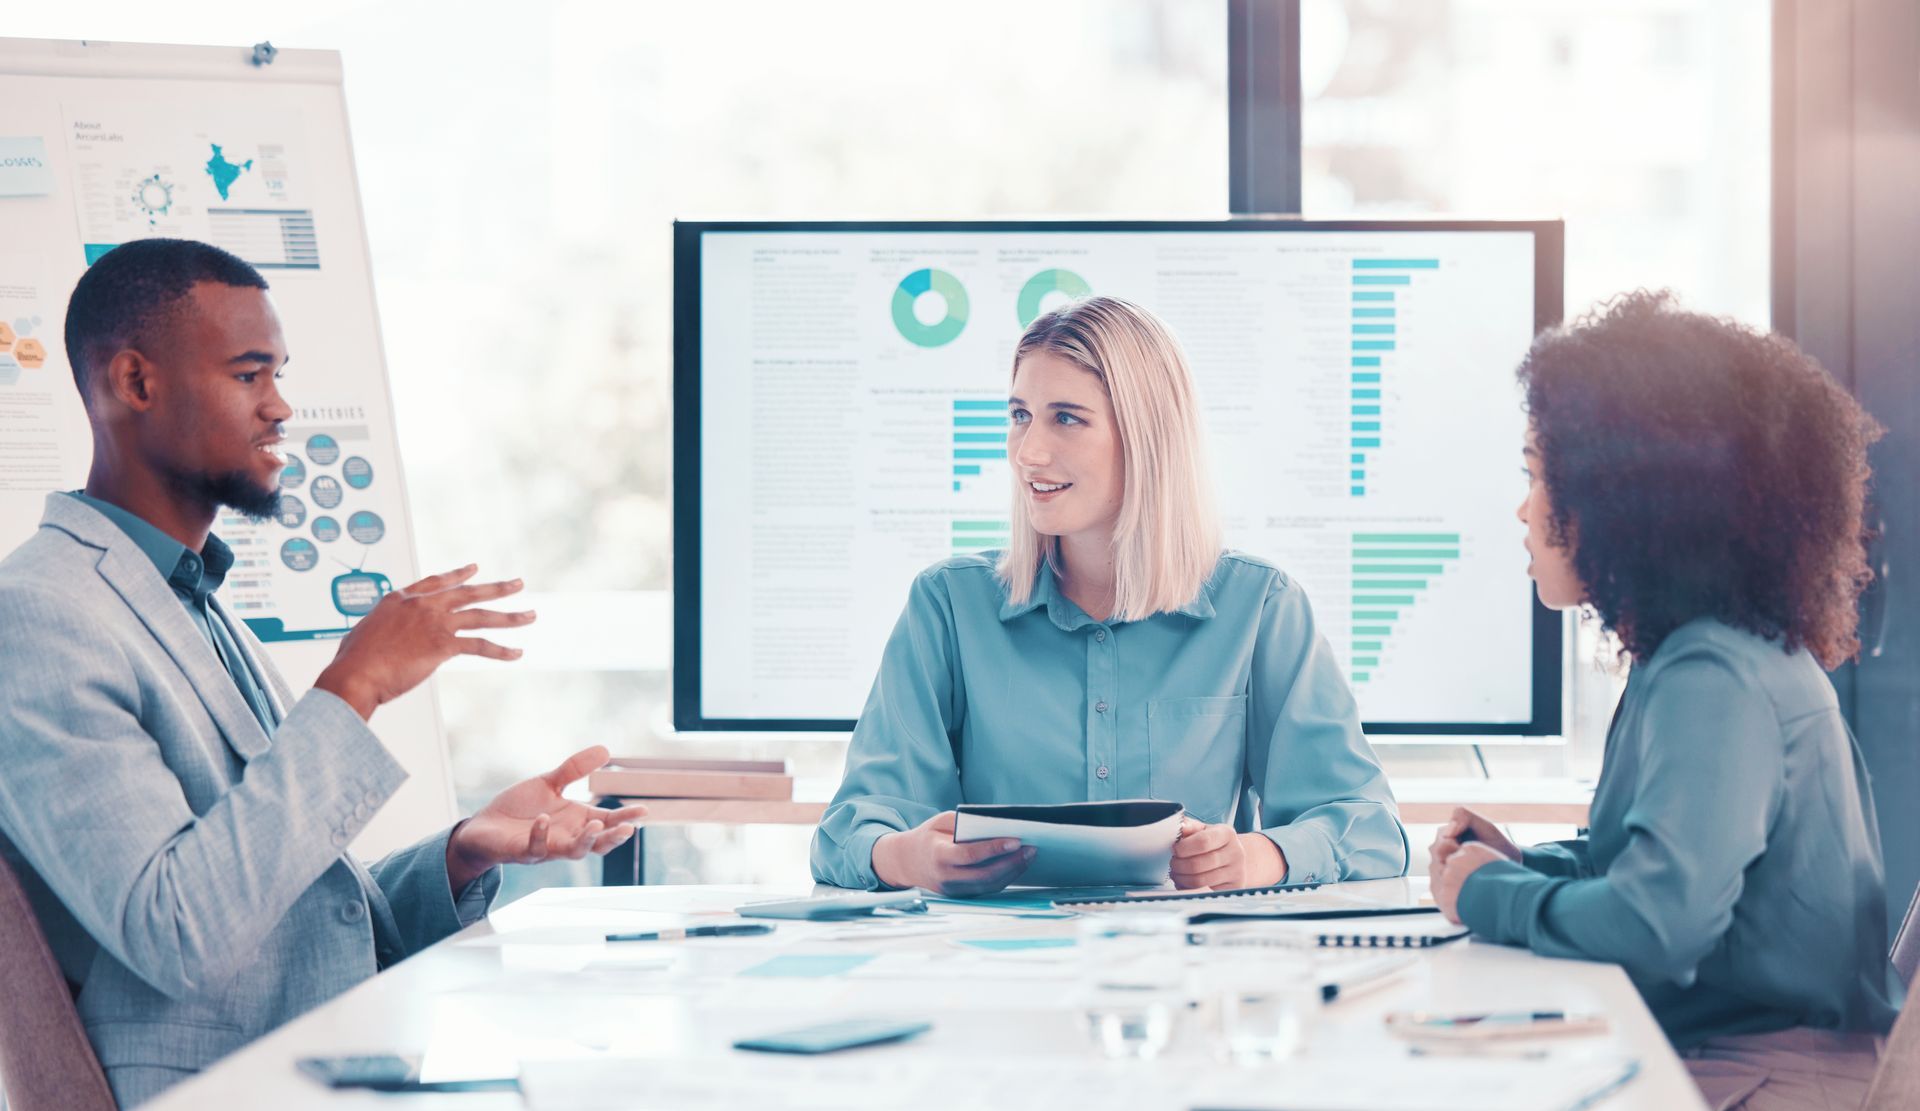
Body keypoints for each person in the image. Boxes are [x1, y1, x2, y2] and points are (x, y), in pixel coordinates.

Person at [0, 238, 648, 1108]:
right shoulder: (41, 613)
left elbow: (287, 913)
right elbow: (176, 928)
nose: (280, 408)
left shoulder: (186, 594)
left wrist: (462, 852)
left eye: (279, 375)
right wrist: (356, 686)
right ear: (136, 383)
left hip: (326, 1065)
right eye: (248, 375)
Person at [1428, 291, 1903, 1109]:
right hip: (1740, 1053)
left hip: (1772, 1076)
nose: (1524, 507)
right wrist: (1520, 864)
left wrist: (1486, 894)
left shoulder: (1713, 677)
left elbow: (1657, 926)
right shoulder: (1696, 654)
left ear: (1627, 497)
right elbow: (1647, 866)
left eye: (1541, 477)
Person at [811, 296, 1406, 895]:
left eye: (1066, 418)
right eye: (1020, 415)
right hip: (998, 964)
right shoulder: (947, 606)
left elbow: (1370, 826)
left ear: (1147, 437)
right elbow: (851, 830)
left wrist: (1261, 858)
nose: (1028, 452)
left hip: (1190, 963)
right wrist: (904, 857)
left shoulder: (1261, 606)